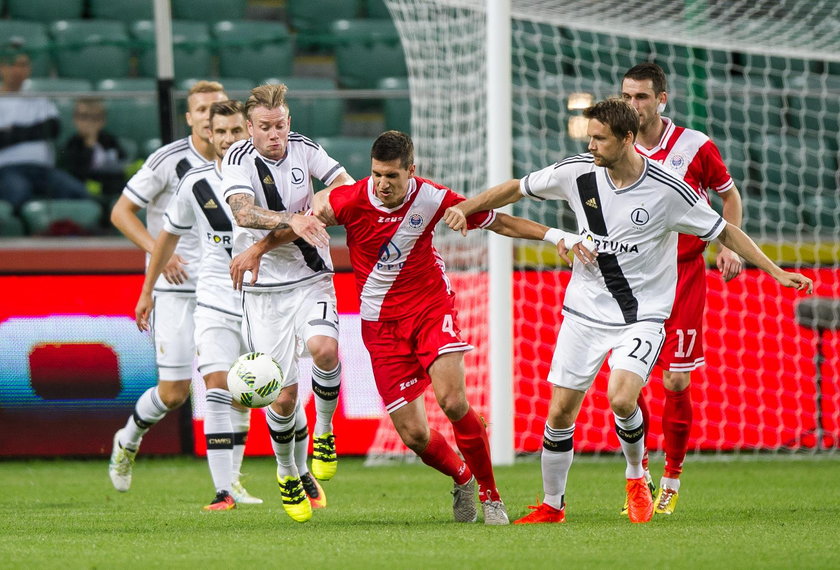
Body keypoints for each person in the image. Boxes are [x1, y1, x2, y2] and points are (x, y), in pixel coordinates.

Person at [443, 98, 813, 525]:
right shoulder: (576, 171)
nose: (592, 146)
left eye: (600, 139)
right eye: (590, 137)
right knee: (560, 411)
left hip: (643, 315)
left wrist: (774, 271)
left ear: (628, 139)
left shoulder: (669, 190)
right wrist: (466, 207)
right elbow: (516, 187)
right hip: (584, 311)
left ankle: (636, 475)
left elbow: (725, 229)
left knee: (621, 397)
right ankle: (552, 505)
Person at [306, 130, 567, 526]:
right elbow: (301, 224)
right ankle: (461, 477)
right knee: (413, 435)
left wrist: (555, 235)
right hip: (379, 323)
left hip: (430, 308)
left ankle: (491, 496)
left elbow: (501, 223)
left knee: (452, 401)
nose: (383, 184)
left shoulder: (432, 197)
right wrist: (256, 250)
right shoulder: (350, 200)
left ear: (412, 170)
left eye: (392, 175)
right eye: (377, 174)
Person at [107, 81, 267, 503]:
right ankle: (128, 439)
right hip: (176, 287)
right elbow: (121, 212)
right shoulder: (168, 160)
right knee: (175, 393)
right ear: (193, 118)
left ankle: (230, 482)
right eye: (200, 110)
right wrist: (161, 258)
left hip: (229, 287)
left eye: (216, 108)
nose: (209, 116)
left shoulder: (247, 164)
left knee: (237, 384)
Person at [222, 83, 355, 523]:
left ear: (289, 122)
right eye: (265, 127)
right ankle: (286, 472)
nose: (275, 134)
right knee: (281, 398)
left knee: (326, 349)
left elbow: (345, 188)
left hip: (311, 276)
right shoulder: (237, 160)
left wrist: (322, 203)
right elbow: (243, 212)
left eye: (280, 125)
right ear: (249, 128)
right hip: (263, 292)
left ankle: (325, 430)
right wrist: (291, 218)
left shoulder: (304, 148)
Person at [619, 62, 744, 515]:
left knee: (675, 378)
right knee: (626, 390)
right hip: (632, 280)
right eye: (627, 96)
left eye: (642, 97)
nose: (633, 106)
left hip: (685, 274)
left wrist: (729, 245)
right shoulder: (617, 147)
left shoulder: (693, 146)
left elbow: (730, 195)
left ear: (661, 99)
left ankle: (671, 479)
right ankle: (642, 473)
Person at [0, 47, 88, 211]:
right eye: (13, 64)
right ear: (2, 67)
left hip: (43, 169)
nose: (18, 70)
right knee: (17, 192)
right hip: (7, 169)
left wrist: (13, 131)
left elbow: (53, 128)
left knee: (77, 192)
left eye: (23, 64)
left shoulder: (37, 97)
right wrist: (34, 130)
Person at [59, 97, 127, 197]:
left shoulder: (109, 140)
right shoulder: (72, 144)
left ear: (103, 120)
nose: (89, 123)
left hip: (111, 186)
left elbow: (121, 161)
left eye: (95, 118)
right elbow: (75, 172)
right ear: (75, 119)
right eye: (84, 117)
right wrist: (89, 145)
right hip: (84, 190)